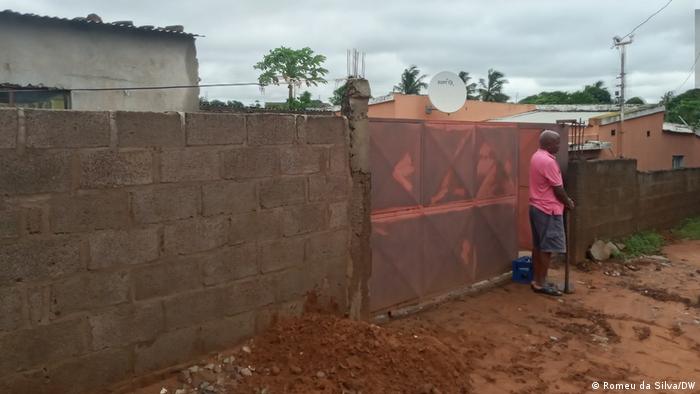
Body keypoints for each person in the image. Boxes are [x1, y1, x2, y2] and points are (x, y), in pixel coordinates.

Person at [529, 130, 574, 296]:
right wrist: (568, 202)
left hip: (536, 207)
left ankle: (536, 280)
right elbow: (558, 189)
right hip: (547, 209)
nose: (559, 146)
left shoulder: (536, 156)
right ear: (549, 144)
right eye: (557, 143)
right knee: (546, 248)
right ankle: (541, 283)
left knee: (538, 246)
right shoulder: (548, 162)